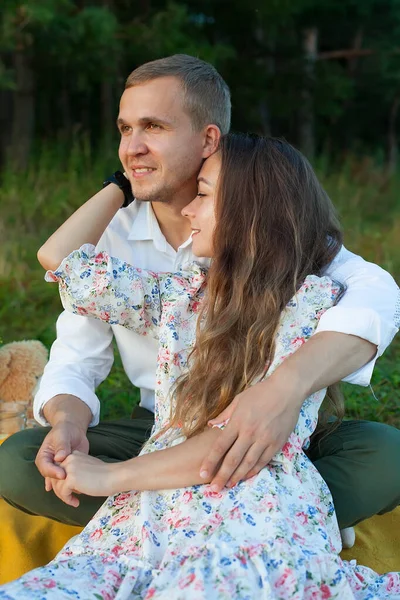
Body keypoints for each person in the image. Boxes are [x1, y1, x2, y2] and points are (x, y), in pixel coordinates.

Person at [0, 55, 399, 542]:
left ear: (209, 139)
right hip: (161, 431)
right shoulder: (109, 234)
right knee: (20, 461)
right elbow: (76, 355)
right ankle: (265, 520)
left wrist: (281, 391)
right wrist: (66, 423)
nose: (132, 147)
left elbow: (377, 294)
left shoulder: (270, 228)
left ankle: (256, 511)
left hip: (277, 433)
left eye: (153, 127)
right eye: (124, 130)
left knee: (388, 454)